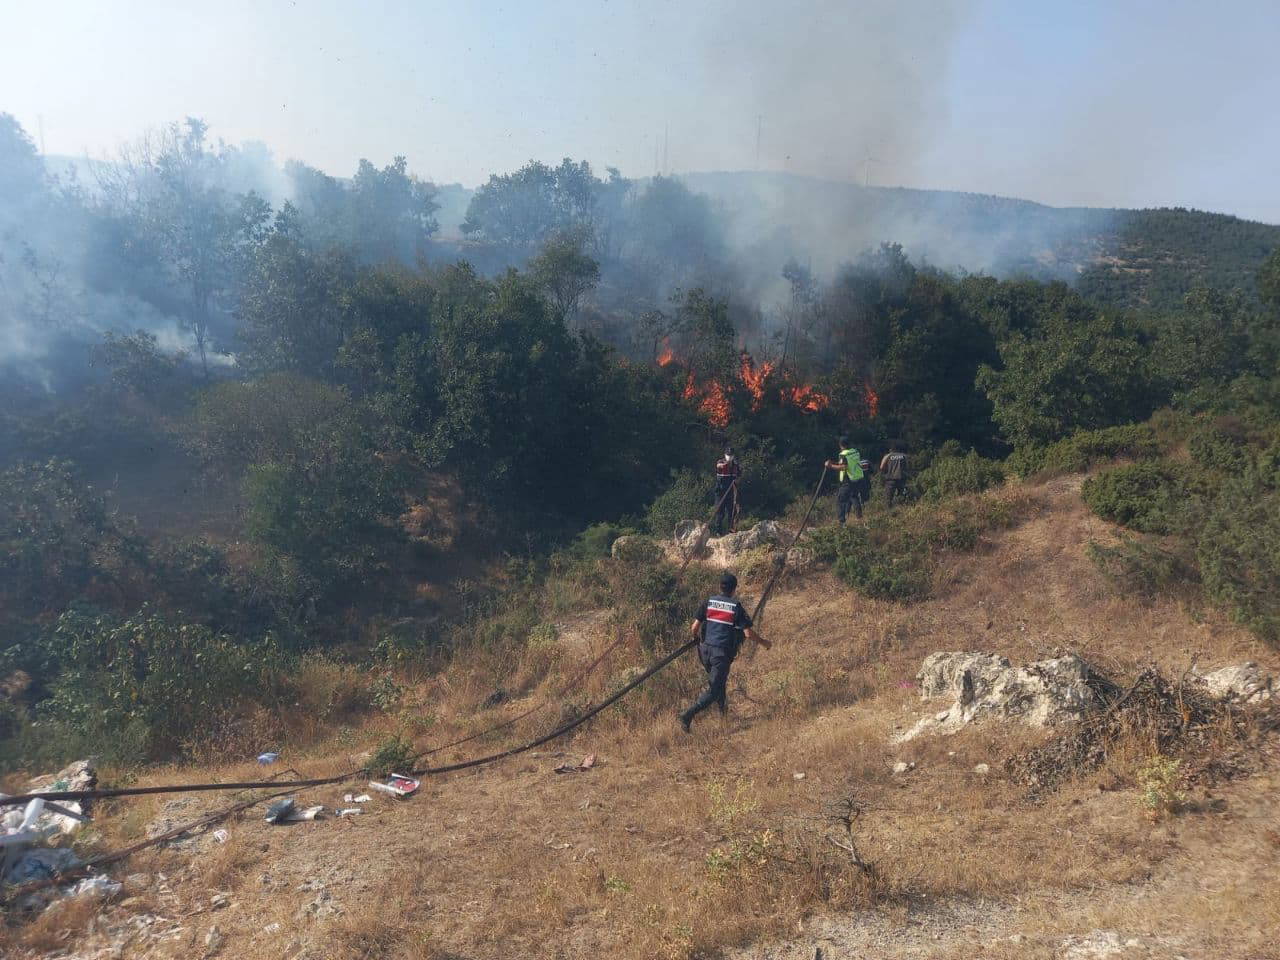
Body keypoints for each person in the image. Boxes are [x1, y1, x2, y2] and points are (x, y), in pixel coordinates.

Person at [680, 572, 769, 732]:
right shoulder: (735, 607)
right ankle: (688, 715)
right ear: (734, 589)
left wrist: (699, 641)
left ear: (720, 587)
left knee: (719, 683)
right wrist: (764, 643)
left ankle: (724, 718)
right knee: (715, 690)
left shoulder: (709, 602)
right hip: (720, 655)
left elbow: (694, 628)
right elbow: (748, 634)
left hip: (705, 652)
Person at [825, 436, 868, 523]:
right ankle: (859, 517)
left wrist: (830, 466)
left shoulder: (843, 454)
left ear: (840, 444)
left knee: (841, 500)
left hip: (848, 480)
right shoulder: (855, 451)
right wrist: (834, 463)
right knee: (854, 496)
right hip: (857, 478)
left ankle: (841, 522)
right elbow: (849, 462)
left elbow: (843, 467)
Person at [712, 447, 742, 534]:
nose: (729, 457)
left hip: (731, 492)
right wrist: (725, 464)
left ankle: (731, 530)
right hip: (720, 492)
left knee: (732, 512)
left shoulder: (736, 465)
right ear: (725, 455)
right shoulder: (720, 462)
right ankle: (718, 531)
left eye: (731, 455)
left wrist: (737, 480)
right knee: (719, 512)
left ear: (733, 456)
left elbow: (739, 475)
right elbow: (718, 466)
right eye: (728, 455)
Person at [879, 443, 908, 508]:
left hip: (890, 478)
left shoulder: (888, 456)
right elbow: (907, 466)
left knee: (889, 497)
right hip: (901, 478)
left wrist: (886, 471)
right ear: (898, 449)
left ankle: (889, 511)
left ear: (890, 450)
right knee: (902, 495)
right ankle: (902, 508)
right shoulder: (903, 456)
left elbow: (881, 467)